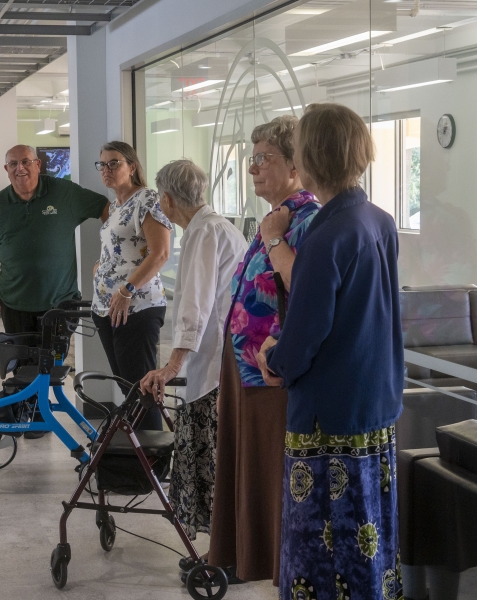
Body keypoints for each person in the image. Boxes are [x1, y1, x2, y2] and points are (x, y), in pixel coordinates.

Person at [256, 103, 405, 600]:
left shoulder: (326, 237)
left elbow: (305, 335)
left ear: (310, 157)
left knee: (325, 550)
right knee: (371, 536)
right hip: (374, 402)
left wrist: (273, 357)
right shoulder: (377, 220)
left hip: (329, 417)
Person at [208, 116, 320, 584]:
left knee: (271, 472)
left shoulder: (305, 220)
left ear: (296, 165)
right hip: (245, 367)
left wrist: (275, 238)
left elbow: (307, 292)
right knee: (245, 465)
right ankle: (244, 556)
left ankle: (277, 565)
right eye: (251, 160)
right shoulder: (274, 215)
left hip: (273, 374)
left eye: (264, 159)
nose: (253, 169)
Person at [140, 159, 247, 542]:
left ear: (167, 200)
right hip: (220, 363)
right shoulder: (215, 228)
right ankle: (225, 549)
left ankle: (225, 552)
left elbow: (195, 308)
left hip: (213, 371)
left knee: (213, 465)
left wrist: (171, 367)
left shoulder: (205, 233)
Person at [0, 145, 109, 436]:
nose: (20, 168)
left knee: (49, 364)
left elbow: (105, 207)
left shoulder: (64, 193)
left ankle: (39, 415)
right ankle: (25, 413)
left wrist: (114, 251)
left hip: (58, 303)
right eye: (13, 163)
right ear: (6, 169)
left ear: (38, 164)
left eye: (26, 162)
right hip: (15, 301)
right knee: (21, 364)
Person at [91, 141, 171, 430]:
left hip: (136, 307)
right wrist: (102, 265)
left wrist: (126, 290)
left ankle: (152, 462)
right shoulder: (116, 205)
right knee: (129, 390)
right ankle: (138, 459)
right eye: (102, 164)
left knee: (142, 391)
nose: (107, 169)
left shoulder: (147, 199)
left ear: (132, 167)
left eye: (114, 163)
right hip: (107, 308)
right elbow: (122, 246)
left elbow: (160, 253)